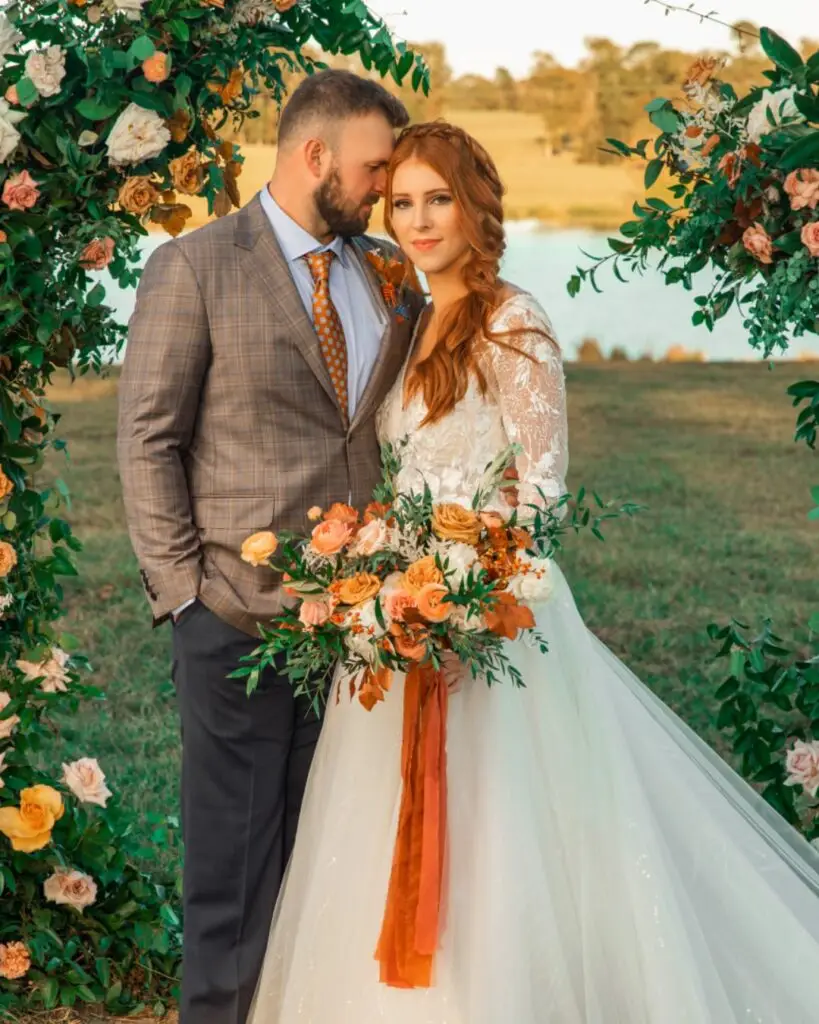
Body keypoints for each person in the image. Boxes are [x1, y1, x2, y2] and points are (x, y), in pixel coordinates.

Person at [248, 121, 819, 1023]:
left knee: (495, 837)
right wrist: (383, 577)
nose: (420, 219)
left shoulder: (515, 319)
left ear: (478, 205)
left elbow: (542, 494)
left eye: (439, 199)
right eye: (402, 202)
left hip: (487, 623)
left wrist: (458, 593)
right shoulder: (410, 313)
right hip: (398, 627)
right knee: (377, 830)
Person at [116, 70, 423, 1024]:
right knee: (232, 880)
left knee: (333, 868)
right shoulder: (196, 266)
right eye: (376, 168)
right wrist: (184, 596)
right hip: (236, 621)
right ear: (314, 154)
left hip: (367, 634)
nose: (384, 188)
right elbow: (147, 438)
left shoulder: (387, 270)